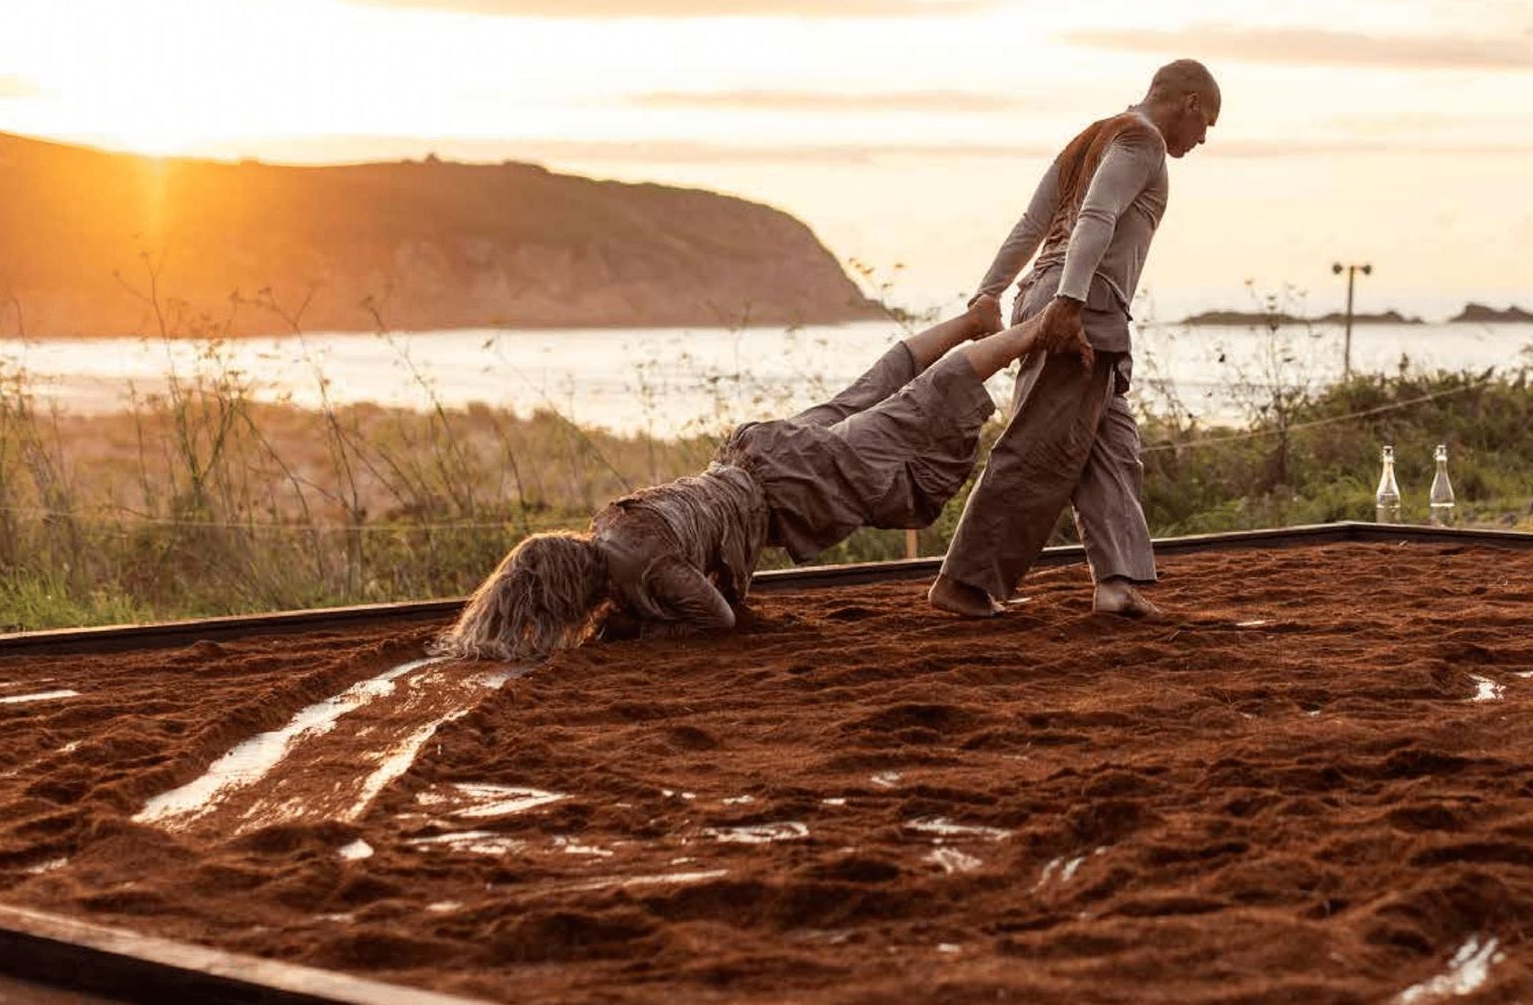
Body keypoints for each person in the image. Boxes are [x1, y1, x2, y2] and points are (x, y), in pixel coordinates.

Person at [434, 297, 1052, 660]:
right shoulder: (611, 522)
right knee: (874, 389)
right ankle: (975, 320)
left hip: (787, 484)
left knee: (911, 411)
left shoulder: (646, 569)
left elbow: (717, 618)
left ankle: (1038, 328)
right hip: (749, 452)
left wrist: (647, 631)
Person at [928, 59, 1221, 620]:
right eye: (1206, 122)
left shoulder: (1090, 138)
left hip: (1062, 297)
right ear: (1188, 103)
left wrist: (989, 295)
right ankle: (963, 583)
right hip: (1081, 303)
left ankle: (1116, 583)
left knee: (1113, 446)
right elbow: (1096, 216)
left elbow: (1030, 225)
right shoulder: (1143, 141)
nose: (1203, 137)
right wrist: (1069, 302)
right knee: (1039, 447)